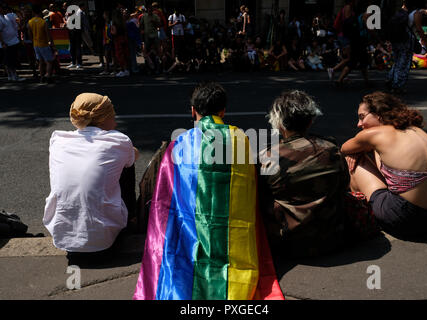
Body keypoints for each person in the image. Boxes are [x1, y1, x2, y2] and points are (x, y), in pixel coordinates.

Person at [134, 81, 284, 300]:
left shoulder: (179, 144)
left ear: (193, 110)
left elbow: (164, 199)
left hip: (190, 231)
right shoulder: (241, 139)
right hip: (233, 234)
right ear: (223, 111)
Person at [44, 93, 139, 258]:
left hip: (63, 238)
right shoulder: (118, 141)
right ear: (103, 119)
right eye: (113, 116)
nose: (116, 122)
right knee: (126, 166)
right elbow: (133, 157)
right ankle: (131, 217)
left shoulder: (59, 139)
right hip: (105, 242)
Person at [341, 92, 427, 239]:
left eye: (362, 117)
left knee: (353, 160)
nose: (359, 124)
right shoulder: (415, 130)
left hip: (404, 219)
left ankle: (362, 212)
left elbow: (345, 148)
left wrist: (362, 149)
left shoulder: (375, 134)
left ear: (378, 114)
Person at [259, 90, 350, 258]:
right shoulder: (331, 149)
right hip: (333, 239)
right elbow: (344, 186)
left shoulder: (267, 157)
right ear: (310, 121)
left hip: (286, 244)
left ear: (278, 123)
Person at [386, 0, 427, 94]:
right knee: (404, 63)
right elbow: (419, 29)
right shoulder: (416, 13)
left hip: (397, 39)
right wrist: (426, 43)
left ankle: (390, 80)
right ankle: (397, 86)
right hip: (406, 40)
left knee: (397, 61)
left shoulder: (404, 12)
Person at [28, 4, 55, 83]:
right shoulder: (43, 22)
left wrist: (33, 42)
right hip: (44, 44)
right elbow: (48, 35)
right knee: (49, 61)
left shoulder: (30, 22)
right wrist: (52, 45)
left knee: (40, 61)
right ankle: (48, 77)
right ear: (40, 12)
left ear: (33, 12)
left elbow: (30, 35)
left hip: (35, 45)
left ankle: (42, 77)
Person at [0, 4, 25, 81]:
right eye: (3, 8)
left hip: (12, 41)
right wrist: (3, 43)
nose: (4, 10)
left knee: (9, 60)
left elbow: (18, 21)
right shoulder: (0, 18)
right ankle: (14, 76)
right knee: (11, 60)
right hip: (7, 43)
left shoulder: (6, 17)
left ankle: (10, 76)